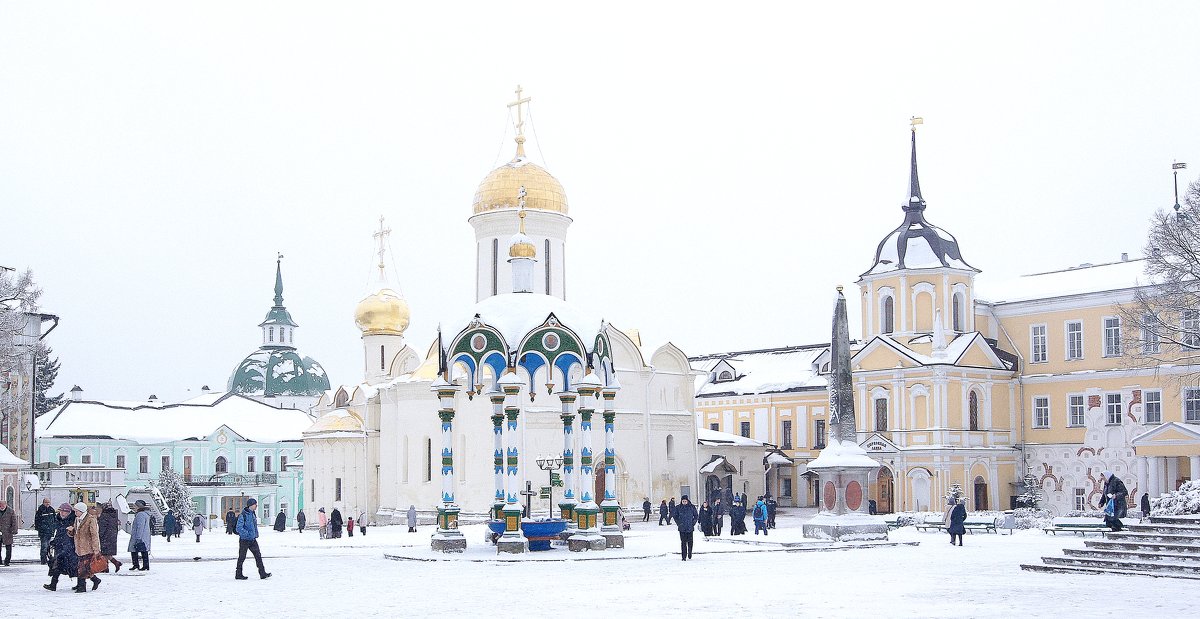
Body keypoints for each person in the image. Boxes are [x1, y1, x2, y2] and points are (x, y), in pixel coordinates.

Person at [43, 503, 78, 591]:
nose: (62, 513)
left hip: (70, 548)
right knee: (57, 566)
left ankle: (93, 579)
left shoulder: (73, 520)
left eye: (65, 512)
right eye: (61, 511)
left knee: (75, 568)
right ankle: (53, 585)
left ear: (69, 512)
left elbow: (72, 535)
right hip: (61, 546)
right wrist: (55, 541)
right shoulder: (59, 520)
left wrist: (68, 545)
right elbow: (59, 533)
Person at [234, 498, 271, 580]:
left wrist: (255, 535)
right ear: (250, 505)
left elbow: (254, 526)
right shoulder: (243, 515)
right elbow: (238, 528)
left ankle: (262, 573)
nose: (256, 506)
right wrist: (247, 534)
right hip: (244, 540)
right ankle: (238, 574)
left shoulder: (253, 514)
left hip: (253, 539)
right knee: (242, 557)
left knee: (258, 556)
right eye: (255, 504)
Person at [71, 502, 103, 592]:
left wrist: (96, 549)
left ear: (81, 511)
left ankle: (82, 587)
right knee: (84, 567)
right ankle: (95, 580)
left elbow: (94, 534)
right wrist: (71, 532)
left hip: (88, 547)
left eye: (76, 511)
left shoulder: (91, 519)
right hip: (79, 547)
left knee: (82, 567)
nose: (75, 513)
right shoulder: (77, 519)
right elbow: (76, 532)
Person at [128, 500, 152, 571]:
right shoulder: (145, 514)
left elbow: (140, 527)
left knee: (134, 550)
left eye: (135, 505)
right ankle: (145, 565)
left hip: (138, 536)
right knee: (144, 551)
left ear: (139, 506)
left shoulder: (140, 515)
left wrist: (138, 537)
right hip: (144, 536)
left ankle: (137, 565)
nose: (134, 507)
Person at [98, 502, 122, 572]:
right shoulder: (114, 515)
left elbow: (102, 528)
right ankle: (114, 563)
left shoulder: (104, 516)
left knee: (104, 552)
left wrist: (99, 536)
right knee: (106, 553)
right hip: (112, 536)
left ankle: (106, 567)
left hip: (105, 537)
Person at [674, 495, 698, 561]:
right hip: (682, 528)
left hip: (690, 527)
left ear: (687, 501)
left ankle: (689, 553)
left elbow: (696, 516)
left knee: (690, 542)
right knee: (683, 542)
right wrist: (679, 523)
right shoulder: (678, 508)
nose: (684, 502)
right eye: (683, 501)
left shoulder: (692, 507)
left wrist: (693, 523)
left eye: (685, 501)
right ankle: (683, 556)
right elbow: (675, 516)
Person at [36, 497, 56, 565]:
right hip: (43, 532)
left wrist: (53, 528)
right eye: (46, 502)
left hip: (50, 531)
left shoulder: (51, 509)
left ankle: (48, 558)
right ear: (43, 503)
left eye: (48, 502)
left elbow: (54, 520)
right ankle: (43, 560)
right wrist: (41, 529)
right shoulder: (40, 510)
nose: (48, 503)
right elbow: (37, 521)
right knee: (44, 546)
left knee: (48, 546)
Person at [0, 499, 16, 567]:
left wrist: (14, 530)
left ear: (6, 504)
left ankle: (7, 561)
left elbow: (14, 521)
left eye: (3, 504)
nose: (2, 506)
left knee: (8, 548)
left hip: (8, 532)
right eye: (1, 505)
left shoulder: (10, 511)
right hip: (0, 531)